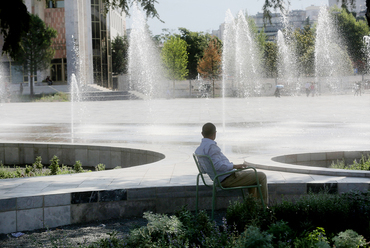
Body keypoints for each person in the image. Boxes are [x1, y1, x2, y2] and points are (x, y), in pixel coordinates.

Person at [195, 123, 268, 205]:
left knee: (253, 176)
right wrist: (235, 166)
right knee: (261, 176)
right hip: (226, 179)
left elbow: (203, 170)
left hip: (219, 178)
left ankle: (252, 207)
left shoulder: (199, 150)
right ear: (215, 133)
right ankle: (263, 207)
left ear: (202, 134)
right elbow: (218, 166)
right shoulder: (212, 147)